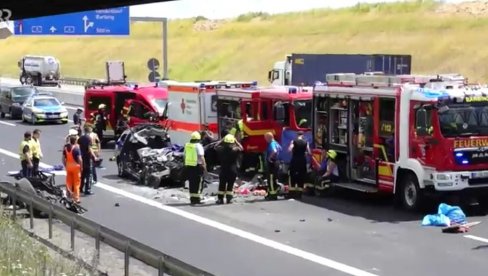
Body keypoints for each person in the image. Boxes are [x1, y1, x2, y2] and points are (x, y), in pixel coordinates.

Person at [215, 134, 243, 204]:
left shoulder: (221, 149)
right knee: (230, 185)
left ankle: (220, 199)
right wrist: (236, 141)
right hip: (232, 170)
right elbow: (241, 148)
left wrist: (222, 140)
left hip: (223, 170)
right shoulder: (235, 150)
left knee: (222, 184)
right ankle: (229, 199)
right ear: (232, 142)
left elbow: (215, 146)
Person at [184, 131, 207, 205]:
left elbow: (184, 155)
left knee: (192, 183)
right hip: (197, 167)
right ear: (199, 138)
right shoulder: (198, 146)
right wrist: (204, 166)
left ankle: (192, 199)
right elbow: (201, 156)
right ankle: (197, 199)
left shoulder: (187, 145)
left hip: (189, 166)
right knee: (198, 183)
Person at [287, 131, 311, 199]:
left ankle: (292, 193)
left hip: (295, 161)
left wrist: (293, 151)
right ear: (303, 135)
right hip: (302, 161)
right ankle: (299, 194)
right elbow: (309, 152)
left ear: (297, 135)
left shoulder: (293, 141)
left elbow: (289, 150)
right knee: (301, 175)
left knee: (292, 175)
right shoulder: (306, 142)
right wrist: (305, 153)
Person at [78, 126, 97, 195]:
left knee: (82, 174)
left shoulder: (80, 138)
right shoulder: (89, 138)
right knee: (89, 174)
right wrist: (94, 156)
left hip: (82, 157)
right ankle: (87, 189)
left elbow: (79, 146)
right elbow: (89, 148)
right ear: (89, 131)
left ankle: (80, 188)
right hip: (88, 158)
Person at [62, 136, 82, 203]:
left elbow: (63, 159)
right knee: (76, 183)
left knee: (69, 182)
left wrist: (65, 165)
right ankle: (76, 198)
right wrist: (81, 167)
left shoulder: (66, 149)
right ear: (75, 141)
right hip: (75, 167)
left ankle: (69, 196)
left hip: (68, 166)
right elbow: (80, 159)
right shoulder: (76, 149)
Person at [264, 132, 281, 200]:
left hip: (272, 163)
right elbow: (280, 149)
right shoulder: (276, 143)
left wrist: (269, 157)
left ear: (269, 137)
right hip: (276, 162)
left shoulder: (272, 143)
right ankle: (271, 193)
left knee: (271, 179)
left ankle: (272, 195)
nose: (265, 140)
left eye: (266, 138)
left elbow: (275, 151)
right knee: (274, 179)